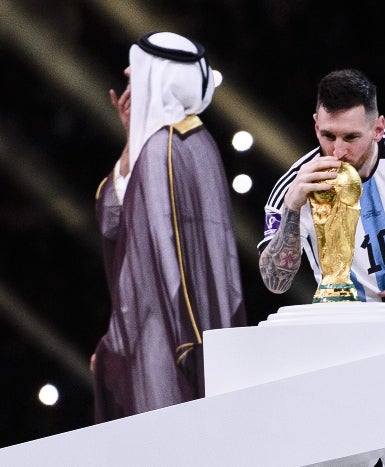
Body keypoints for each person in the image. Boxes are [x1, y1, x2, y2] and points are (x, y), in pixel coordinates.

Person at [258, 68, 385, 466]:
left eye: (351, 137)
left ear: (378, 128)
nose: (338, 151)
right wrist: (295, 207)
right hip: (338, 353)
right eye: (327, 135)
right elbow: (274, 281)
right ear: (315, 124)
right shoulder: (290, 189)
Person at [91, 31, 247, 423]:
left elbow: (144, 247)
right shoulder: (193, 141)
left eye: (134, 78)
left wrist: (119, 345)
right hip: (189, 331)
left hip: (169, 336)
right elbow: (123, 219)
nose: (128, 83)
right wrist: (131, 141)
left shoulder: (165, 147)